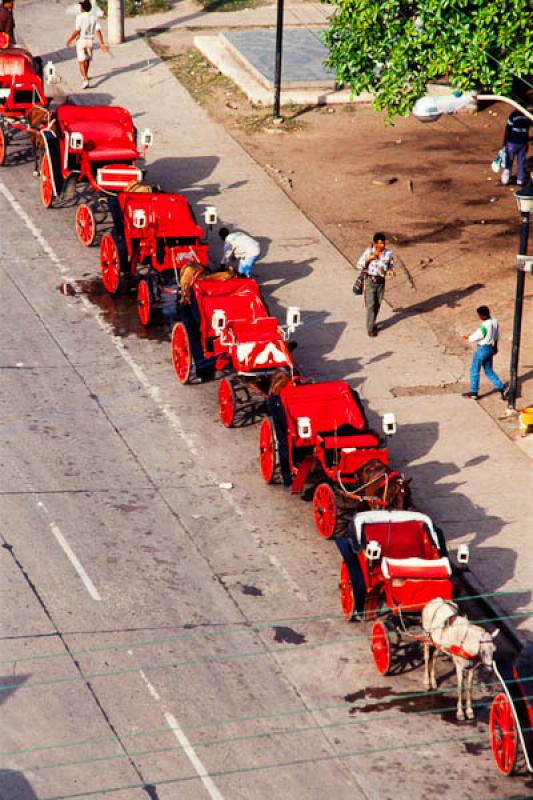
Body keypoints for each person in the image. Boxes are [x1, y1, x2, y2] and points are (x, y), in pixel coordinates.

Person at [462, 305, 507, 400]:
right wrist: (495, 347)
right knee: (488, 370)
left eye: (479, 315)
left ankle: (474, 392)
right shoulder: (494, 321)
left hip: (482, 349)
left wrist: (469, 337)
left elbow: (479, 334)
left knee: (474, 370)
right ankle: (501, 387)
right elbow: (496, 335)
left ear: (483, 316)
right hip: (490, 348)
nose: (479, 317)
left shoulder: (485, 325)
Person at [356, 231, 395, 336]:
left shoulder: (388, 253)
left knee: (377, 304)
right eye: (379, 244)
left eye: (383, 243)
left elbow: (390, 265)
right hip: (370, 281)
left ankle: (372, 323)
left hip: (381, 282)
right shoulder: (368, 252)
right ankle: (370, 329)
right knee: (371, 305)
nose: (382, 246)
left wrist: (390, 271)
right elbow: (359, 265)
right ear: (374, 243)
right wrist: (371, 258)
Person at [66, 0, 107, 90]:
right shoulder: (94, 17)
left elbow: (77, 31)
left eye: (81, 7)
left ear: (83, 8)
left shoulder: (79, 17)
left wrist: (70, 40)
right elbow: (98, 31)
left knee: (81, 61)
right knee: (87, 59)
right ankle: (86, 75)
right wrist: (102, 43)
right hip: (90, 41)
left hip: (81, 40)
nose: (80, 8)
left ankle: (85, 79)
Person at [502, 109, 531, 186]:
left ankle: (506, 179)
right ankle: (520, 180)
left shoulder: (514, 115)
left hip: (512, 142)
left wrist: (504, 141)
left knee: (509, 160)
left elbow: (508, 129)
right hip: (523, 143)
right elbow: (527, 130)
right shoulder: (527, 116)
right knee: (521, 161)